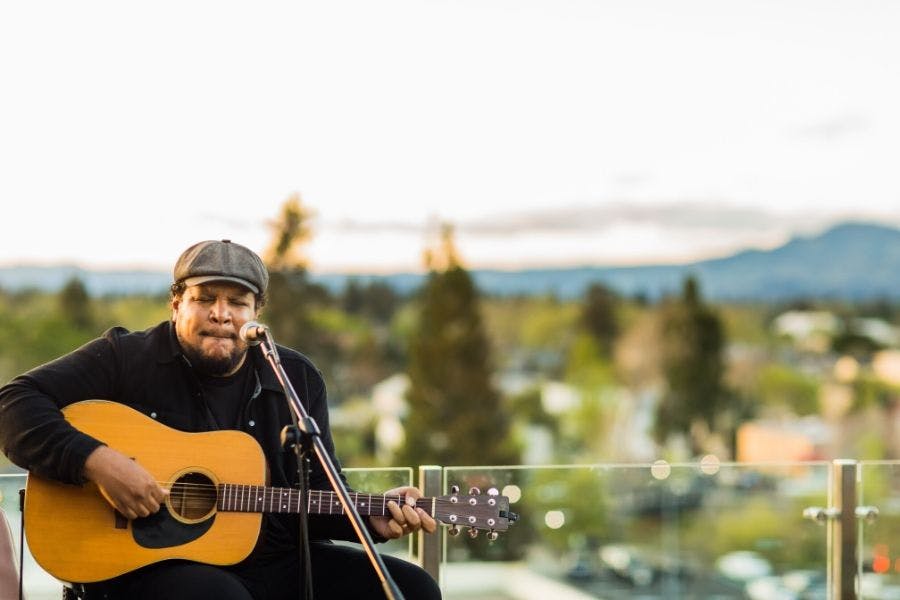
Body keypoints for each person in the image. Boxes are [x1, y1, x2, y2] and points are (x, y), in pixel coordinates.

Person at [0, 239, 442, 600]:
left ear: (256, 314)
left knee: (414, 588)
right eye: (205, 298)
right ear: (176, 304)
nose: (221, 314)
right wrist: (97, 462)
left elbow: (319, 497)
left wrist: (371, 518)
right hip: (158, 565)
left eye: (237, 302)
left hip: (277, 562)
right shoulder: (127, 358)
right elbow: (14, 403)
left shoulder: (295, 377)